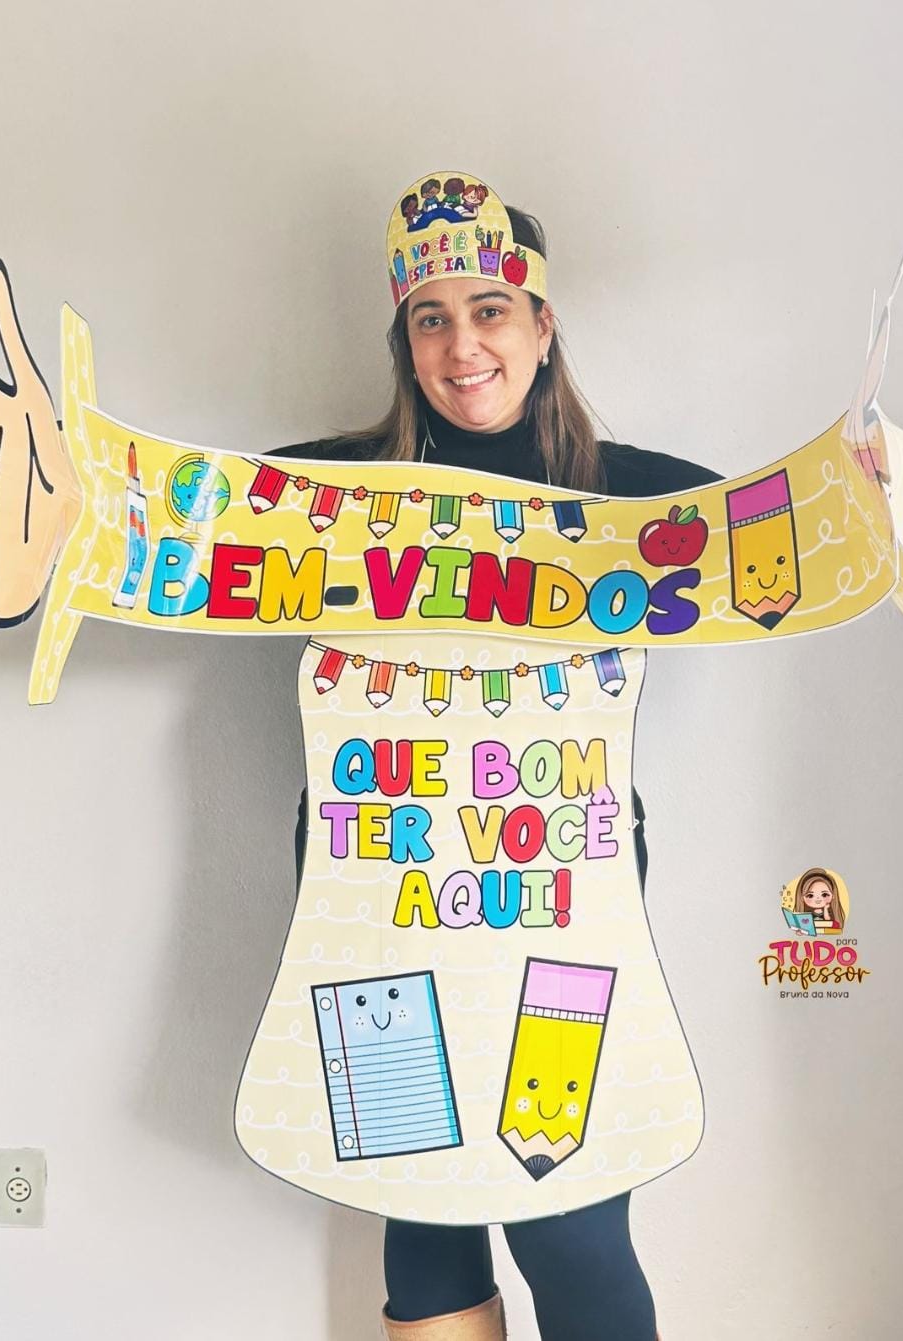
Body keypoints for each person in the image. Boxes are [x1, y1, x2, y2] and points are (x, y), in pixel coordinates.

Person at [265, 172, 723, 1341]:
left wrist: (865, 490)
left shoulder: (627, 495)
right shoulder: (334, 492)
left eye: (489, 310)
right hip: (369, 898)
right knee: (421, 1214)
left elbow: (778, 538)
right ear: (405, 342)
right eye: (431, 319)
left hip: (564, 902)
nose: (462, 345)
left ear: (541, 325)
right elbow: (167, 512)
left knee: (566, 1215)